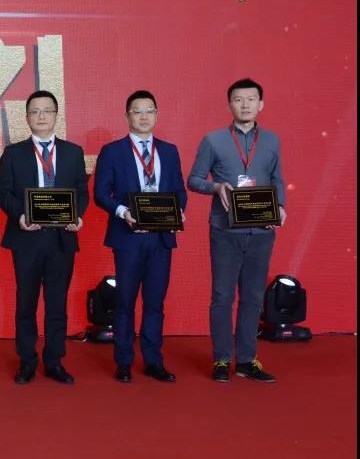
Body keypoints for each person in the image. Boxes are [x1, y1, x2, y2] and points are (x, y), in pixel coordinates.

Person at [188, 78, 287, 383]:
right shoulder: (213, 140)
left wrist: (280, 207)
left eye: (251, 99)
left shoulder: (272, 141)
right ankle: (221, 359)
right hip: (225, 231)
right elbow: (193, 180)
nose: (245, 105)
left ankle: (246, 360)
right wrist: (216, 186)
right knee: (222, 296)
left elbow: (277, 179)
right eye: (238, 99)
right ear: (229, 104)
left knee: (253, 297)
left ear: (261, 104)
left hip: (261, 230)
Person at [93, 90, 187, 384]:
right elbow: (100, 193)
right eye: (137, 111)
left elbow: (179, 191)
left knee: (155, 303)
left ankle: (153, 361)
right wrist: (123, 212)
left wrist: (178, 212)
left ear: (157, 115)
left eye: (149, 111)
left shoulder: (169, 151)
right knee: (125, 302)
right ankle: (123, 362)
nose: (144, 116)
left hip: (161, 239)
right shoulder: (112, 151)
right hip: (128, 237)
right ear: (127, 116)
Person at [0, 90, 88, 385]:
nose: (41, 116)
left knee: (57, 304)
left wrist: (77, 216)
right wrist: (21, 215)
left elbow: (81, 192)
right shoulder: (14, 153)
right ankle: (26, 361)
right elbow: (3, 193)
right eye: (35, 111)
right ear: (26, 117)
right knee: (26, 303)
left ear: (56, 115)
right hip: (26, 239)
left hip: (62, 239)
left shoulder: (73, 152)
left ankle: (54, 361)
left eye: (47, 111)